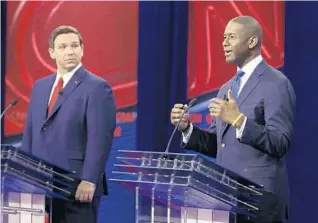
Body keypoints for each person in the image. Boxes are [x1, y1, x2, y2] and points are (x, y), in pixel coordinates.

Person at [170, 16, 296, 223]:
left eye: (231, 37)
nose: (224, 43)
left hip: (260, 199)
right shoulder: (225, 88)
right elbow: (218, 144)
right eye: (223, 37)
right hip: (225, 196)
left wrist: (239, 120)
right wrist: (187, 129)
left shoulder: (276, 83)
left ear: (252, 41)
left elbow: (280, 142)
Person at [21, 25, 116, 223]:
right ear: (51, 53)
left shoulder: (97, 87)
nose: (70, 51)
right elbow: (30, 133)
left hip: (76, 187)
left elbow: (100, 138)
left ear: (82, 49)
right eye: (63, 47)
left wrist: (89, 179)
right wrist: (24, 175)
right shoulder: (40, 87)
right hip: (41, 185)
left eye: (74, 45)